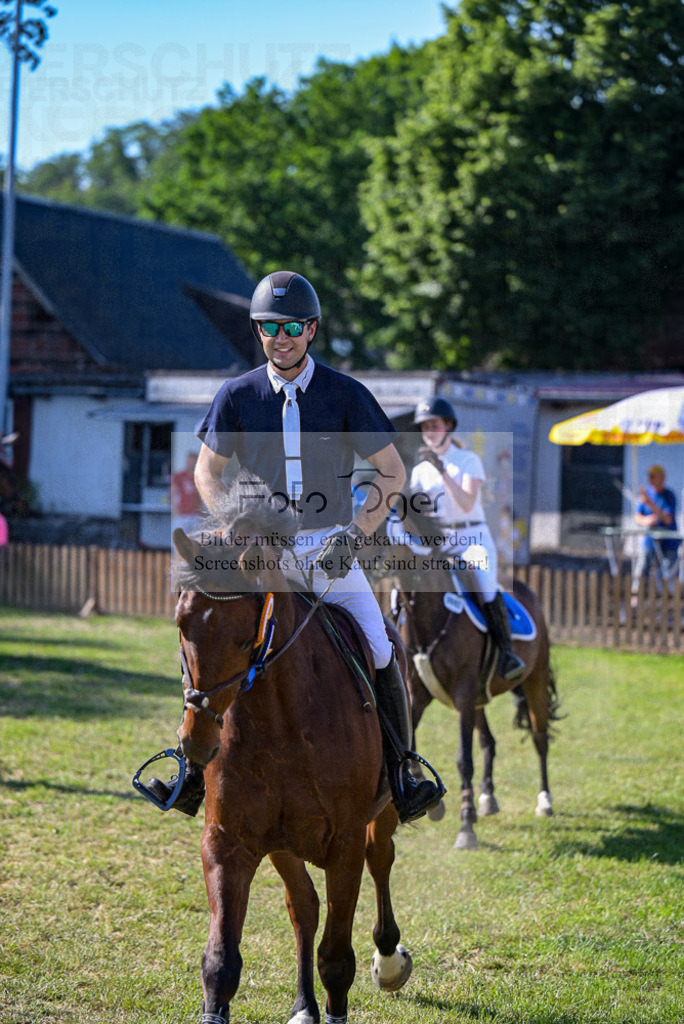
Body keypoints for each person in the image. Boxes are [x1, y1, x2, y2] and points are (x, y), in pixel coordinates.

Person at [145, 271, 443, 822]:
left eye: (291, 327)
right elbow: (207, 471)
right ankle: (188, 769)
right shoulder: (237, 395)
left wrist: (355, 536)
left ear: (311, 330)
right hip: (260, 554)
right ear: (257, 332)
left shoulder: (346, 394)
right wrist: (234, 522)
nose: (280, 338)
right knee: (208, 630)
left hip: (329, 547)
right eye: (269, 327)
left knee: (381, 648)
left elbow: (392, 471)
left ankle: (402, 772)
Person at [410, 397, 524, 682]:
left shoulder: (468, 460)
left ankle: (506, 653)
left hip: (473, 538)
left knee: (484, 586)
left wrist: (442, 470)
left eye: (434, 425)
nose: (429, 431)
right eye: (425, 426)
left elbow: (466, 503)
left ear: (448, 425)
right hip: (440, 542)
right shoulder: (419, 470)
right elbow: (416, 513)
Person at [632, 464, 680, 594]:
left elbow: (667, 519)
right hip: (651, 540)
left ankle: (669, 598)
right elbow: (637, 517)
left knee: (669, 573)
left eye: (653, 476)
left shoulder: (668, 495)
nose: (650, 479)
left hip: (669, 541)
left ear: (662, 478)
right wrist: (647, 520)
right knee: (642, 568)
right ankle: (636, 595)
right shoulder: (646, 495)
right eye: (650, 476)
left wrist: (650, 504)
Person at [170, 451, 203, 535]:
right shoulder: (179, 476)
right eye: (189, 461)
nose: (190, 464)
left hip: (197, 515)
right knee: (180, 538)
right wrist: (174, 508)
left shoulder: (200, 477)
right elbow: (172, 494)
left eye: (193, 461)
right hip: (183, 515)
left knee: (196, 539)